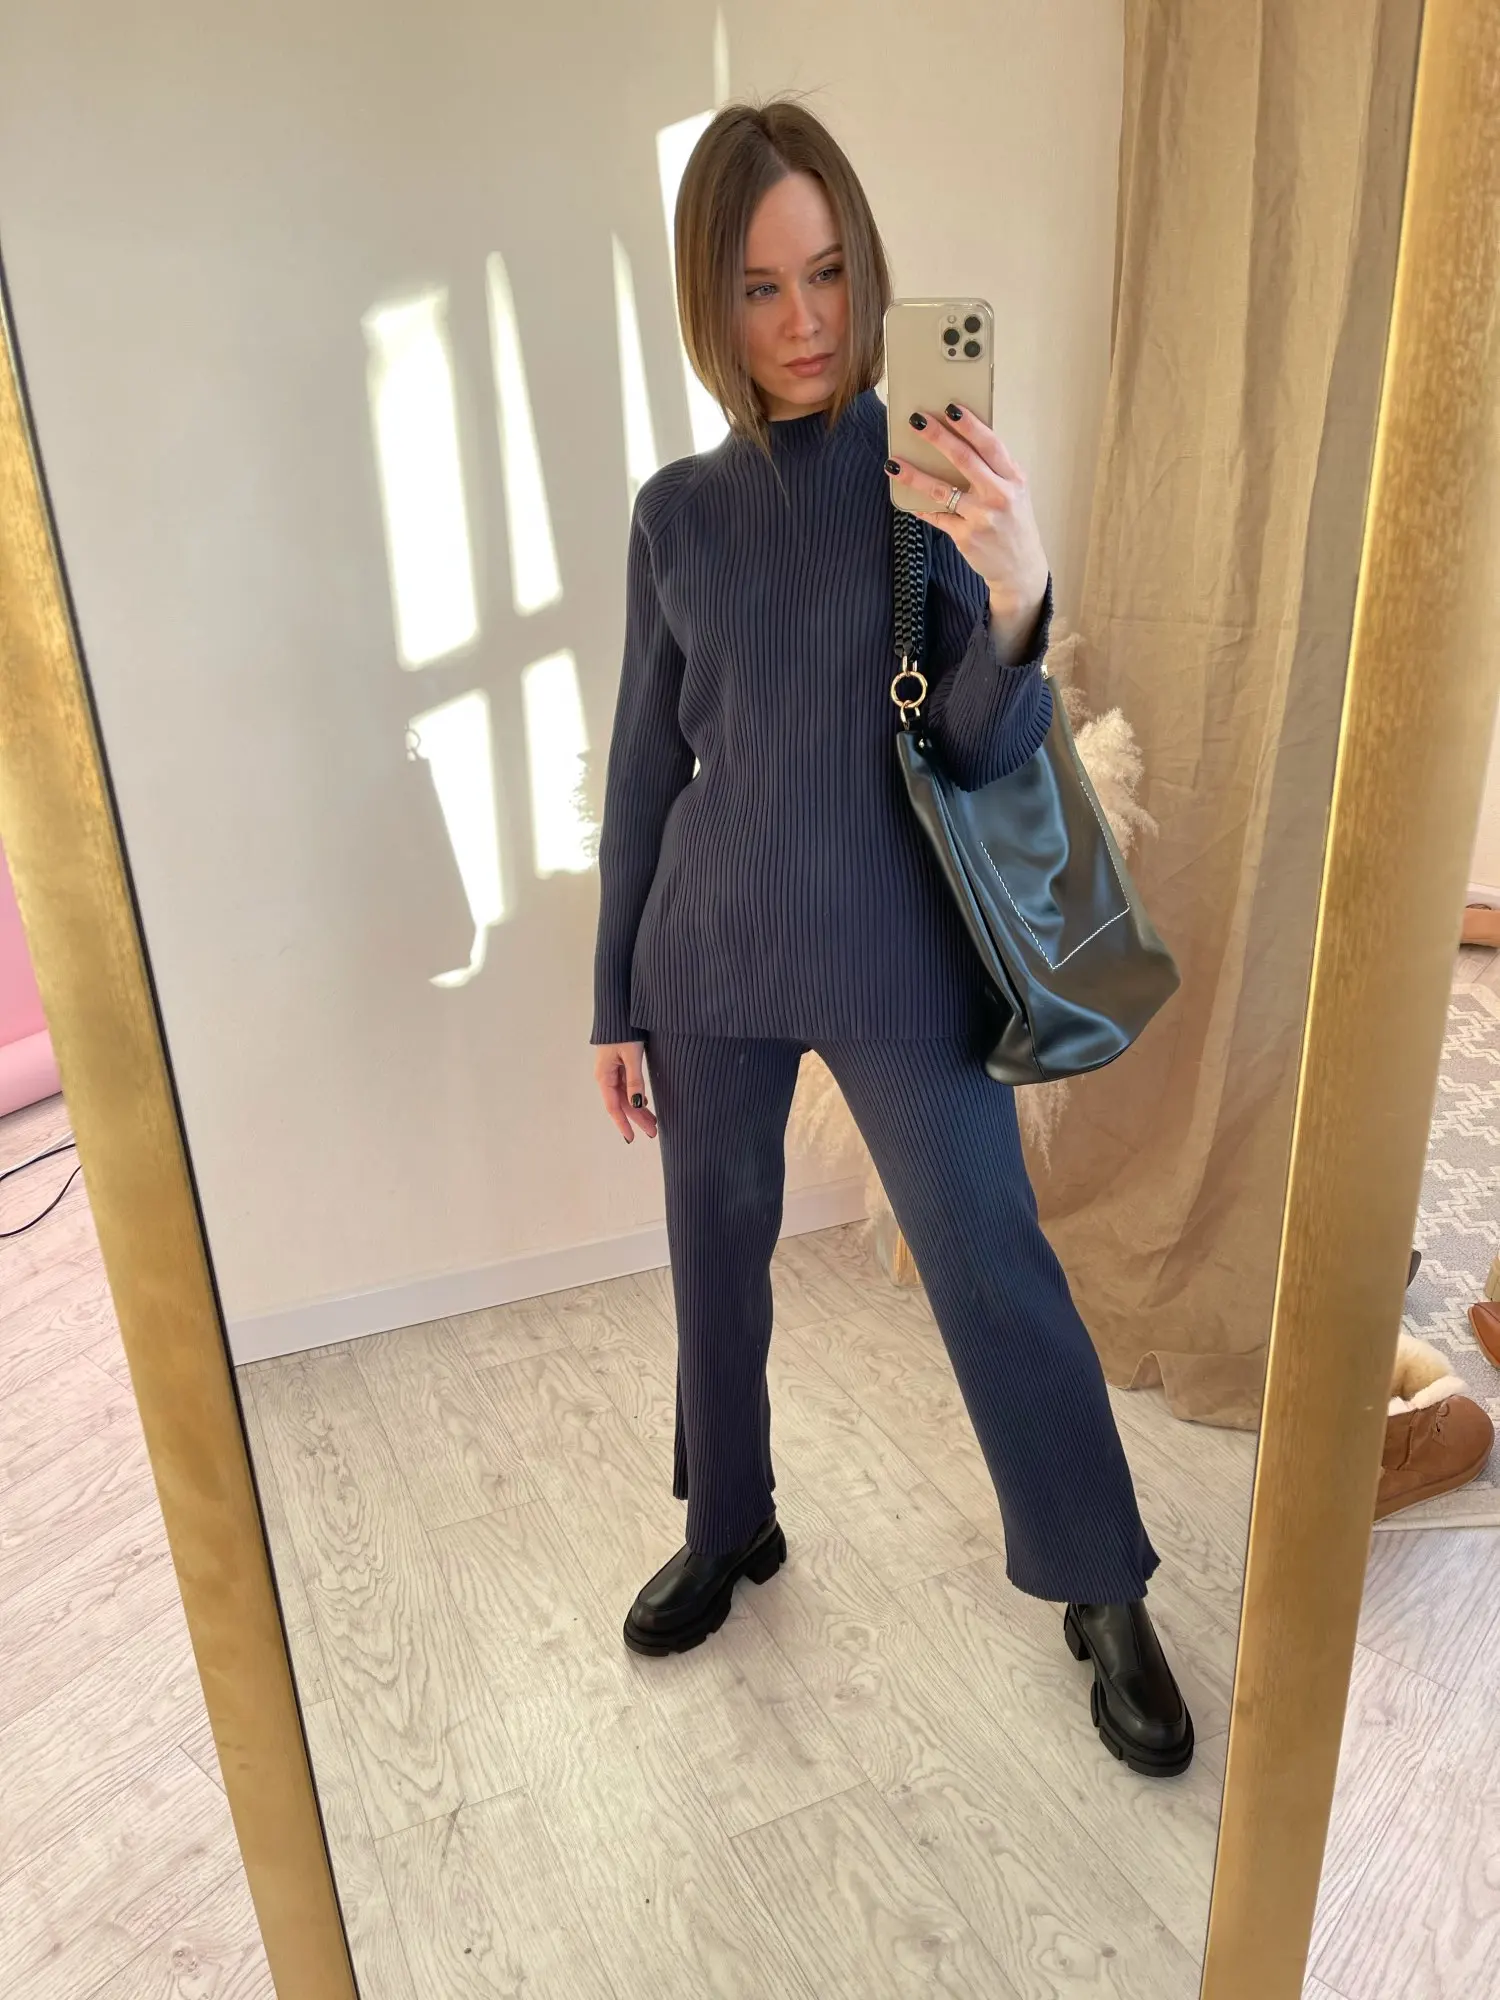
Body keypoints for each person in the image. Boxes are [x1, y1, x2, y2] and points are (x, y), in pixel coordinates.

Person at [588, 97, 1192, 1778]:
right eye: (760, 287)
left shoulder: (927, 478)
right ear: (712, 304)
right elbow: (641, 771)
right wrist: (611, 999)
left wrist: (1018, 592)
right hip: (708, 956)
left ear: (868, 270)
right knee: (714, 1256)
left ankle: (1102, 1584)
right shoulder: (675, 513)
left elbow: (986, 742)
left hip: (893, 948)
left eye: (830, 273)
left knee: (991, 1255)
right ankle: (729, 1522)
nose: (804, 321)